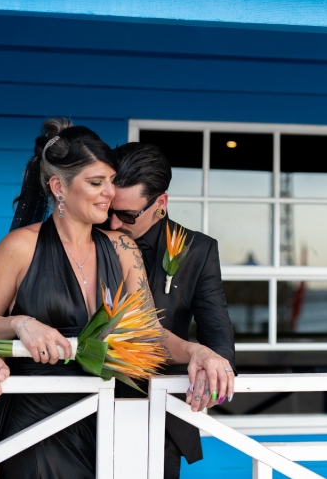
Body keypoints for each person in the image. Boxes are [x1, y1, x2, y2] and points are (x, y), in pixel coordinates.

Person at [0, 119, 231, 479]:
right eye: (96, 183)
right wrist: (21, 324)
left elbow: (147, 334)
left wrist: (198, 351)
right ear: (59, 186)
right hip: (36, 422)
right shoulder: (20, 246)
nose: (109, 193)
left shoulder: (122, 247)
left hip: (104, 423)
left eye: (110, 181)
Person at [108, 142, 236, 479]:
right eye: (108, 207)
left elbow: (216, 326)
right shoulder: (90, 236)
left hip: (160, 413)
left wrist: (216, 371)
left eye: (127, 215)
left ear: (160, 203)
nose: (113, 221)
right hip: (83, 406)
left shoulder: (198, 249)